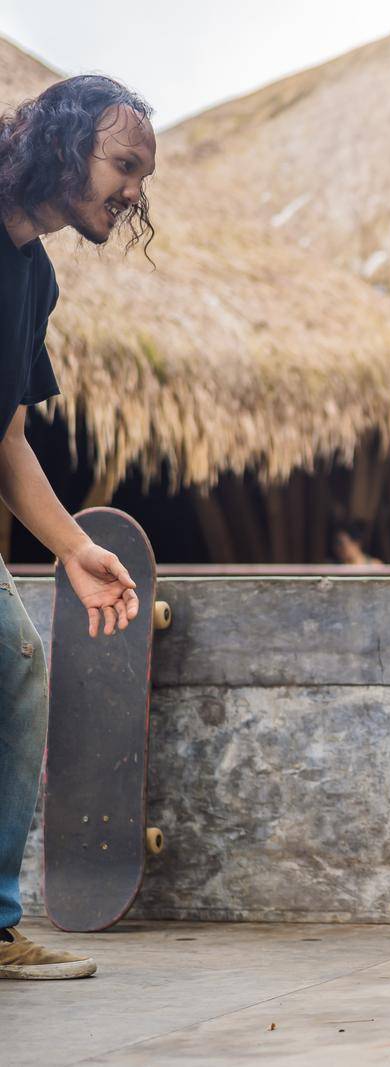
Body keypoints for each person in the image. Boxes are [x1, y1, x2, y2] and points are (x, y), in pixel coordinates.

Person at [0, 75, 154, 980]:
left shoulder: (36, 276)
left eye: (141, 173)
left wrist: (73, 546)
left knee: (17, 672)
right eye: (123, 165)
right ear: (63, 144)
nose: (135, 191)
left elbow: (8, 436)